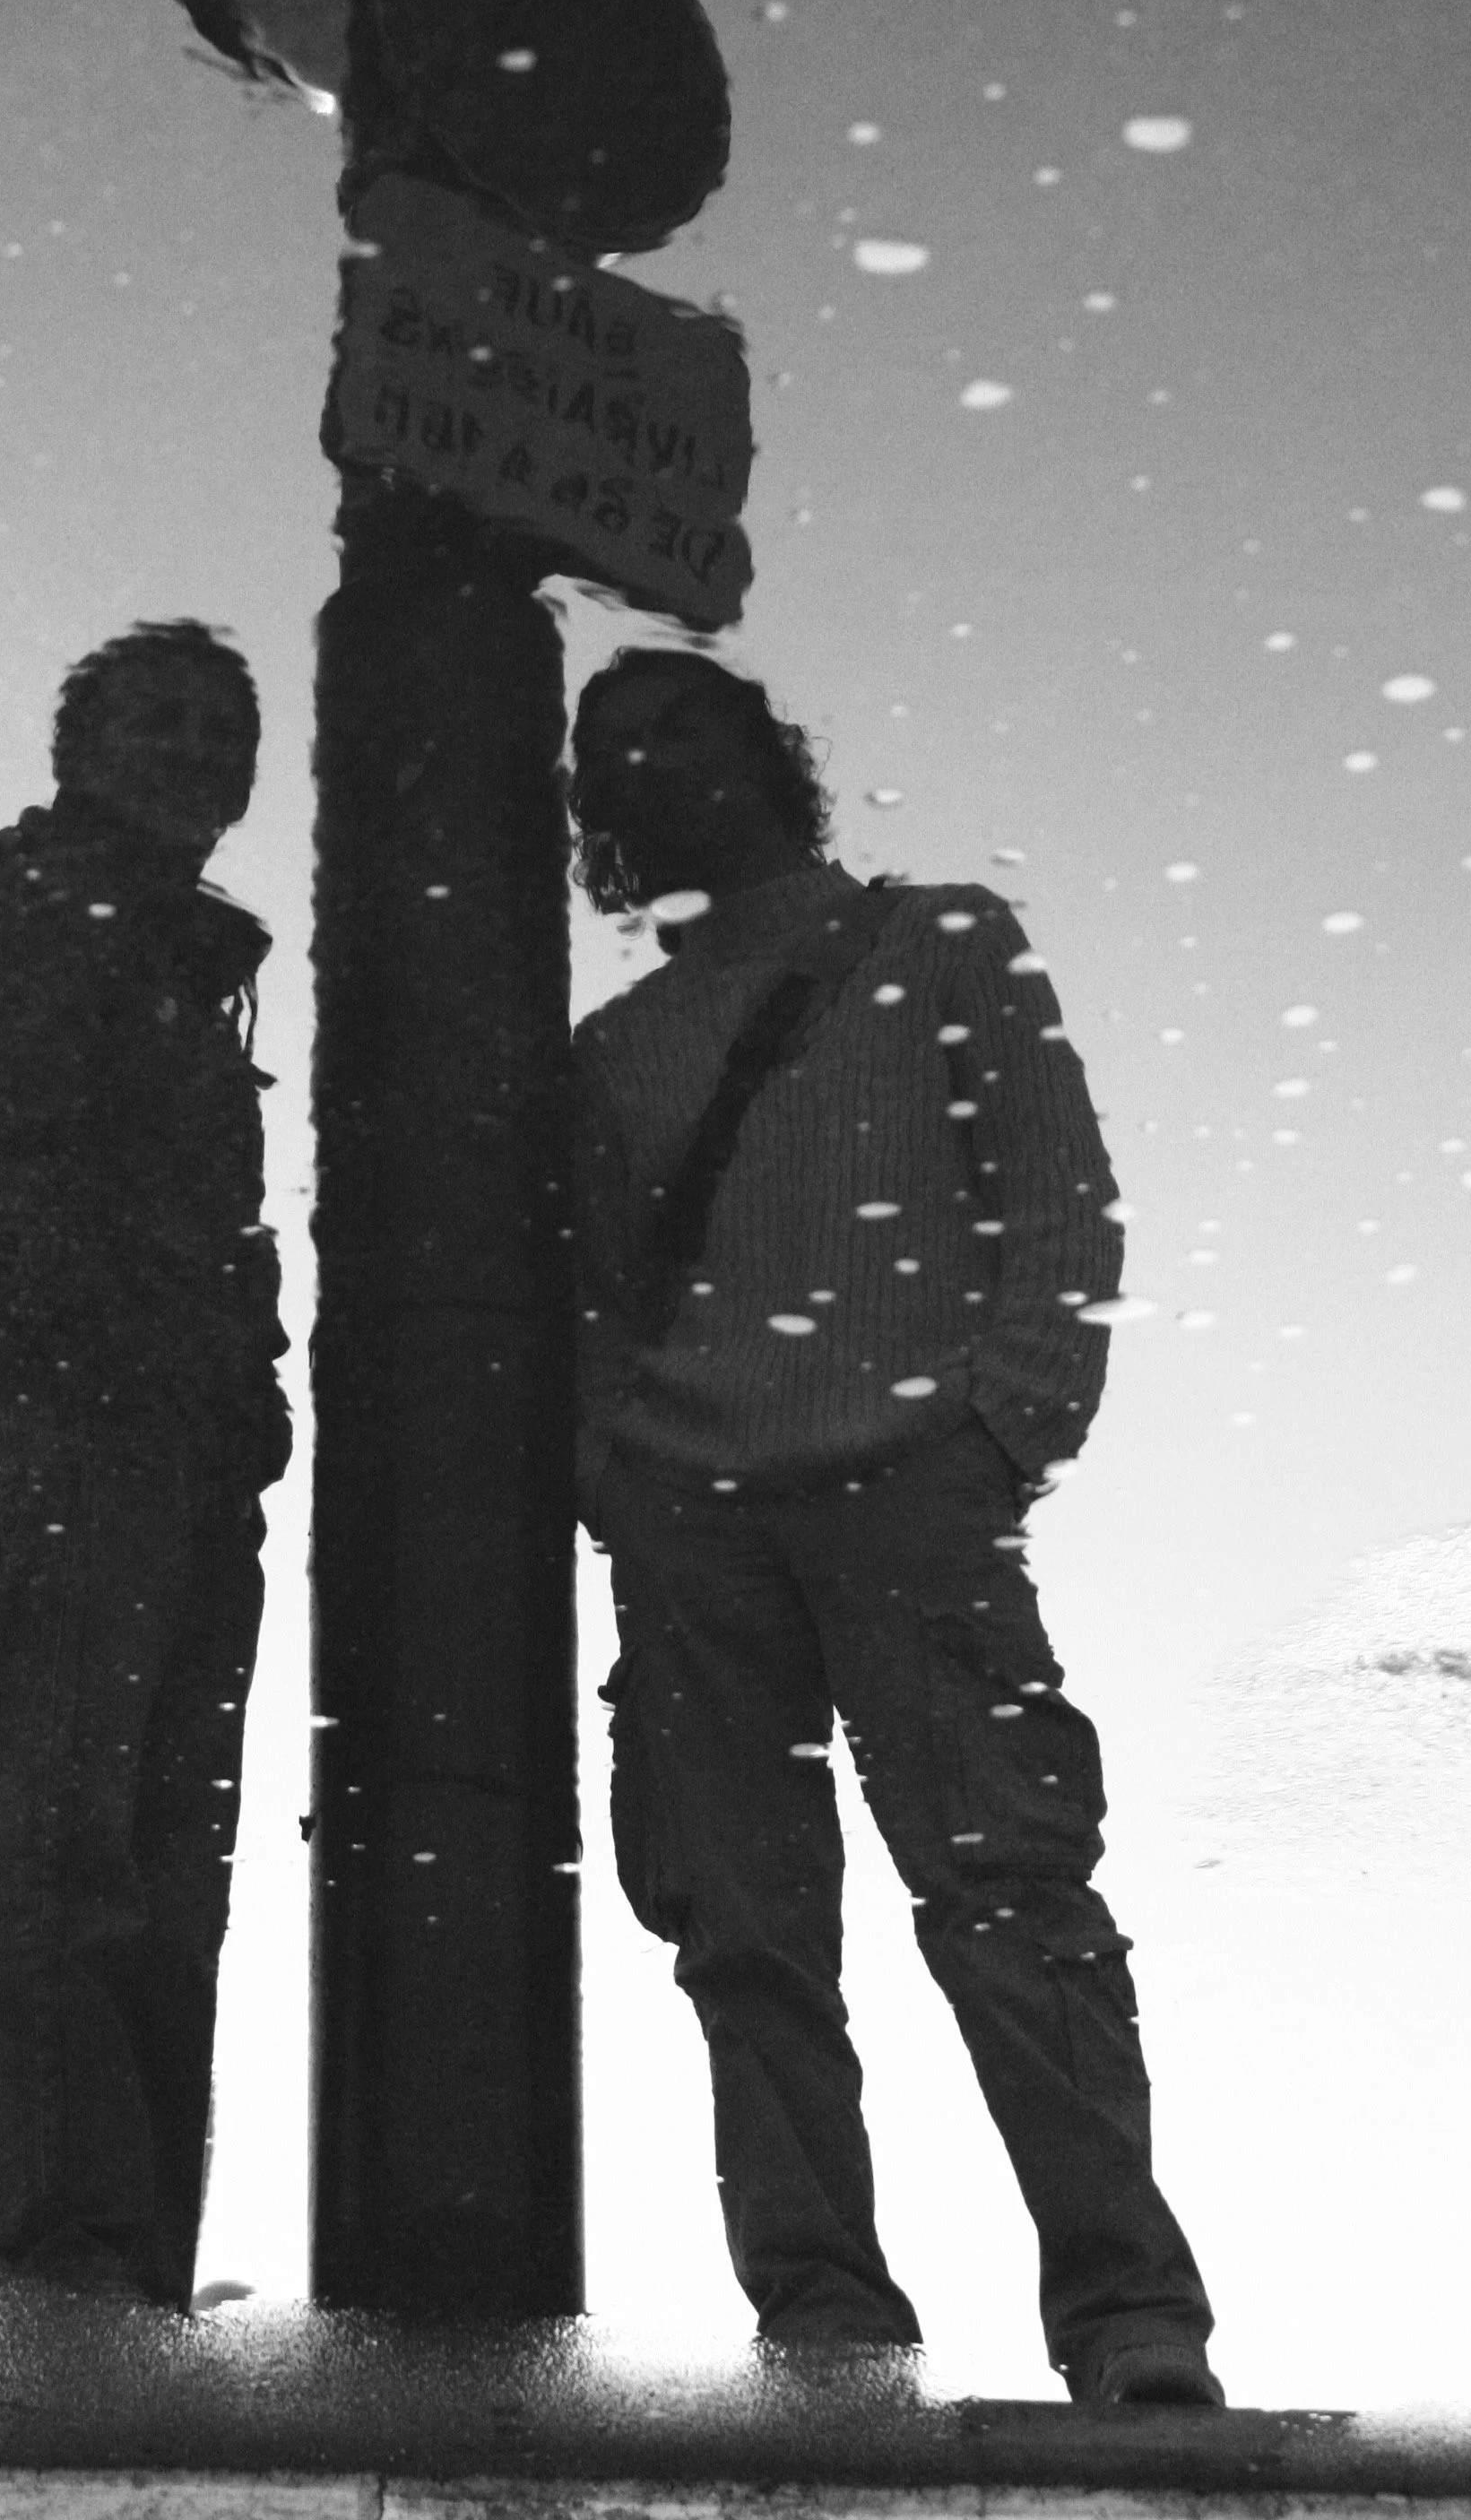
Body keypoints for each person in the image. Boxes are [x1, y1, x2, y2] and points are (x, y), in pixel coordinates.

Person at [567, 644, 1221, 2409]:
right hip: (693, 1529)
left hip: (908, 1493)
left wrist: (996, 1434)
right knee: (750, 1942)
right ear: (603, 822)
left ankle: (1128, 2314)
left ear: (768, 761)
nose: (658, 770)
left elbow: (1057, 1196)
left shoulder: (934, 944)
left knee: (1011, 1898)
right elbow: (593, 1316)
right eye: (619, 756)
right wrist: (616, 1482)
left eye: (685, 732)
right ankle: (827, 2325)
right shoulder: (613, 1053)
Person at [0, 619, 290, 2307]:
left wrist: (234, 1401)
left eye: (222, 725)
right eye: (157, 717)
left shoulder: (171, 952)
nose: (194, 748)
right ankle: (56, 2259)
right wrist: (129, 1371)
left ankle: (112, 2261)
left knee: (144, 1865)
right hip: (75, 1436)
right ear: (79, 746)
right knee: (65, 1845)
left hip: (168, 1441)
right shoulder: (48, 920)